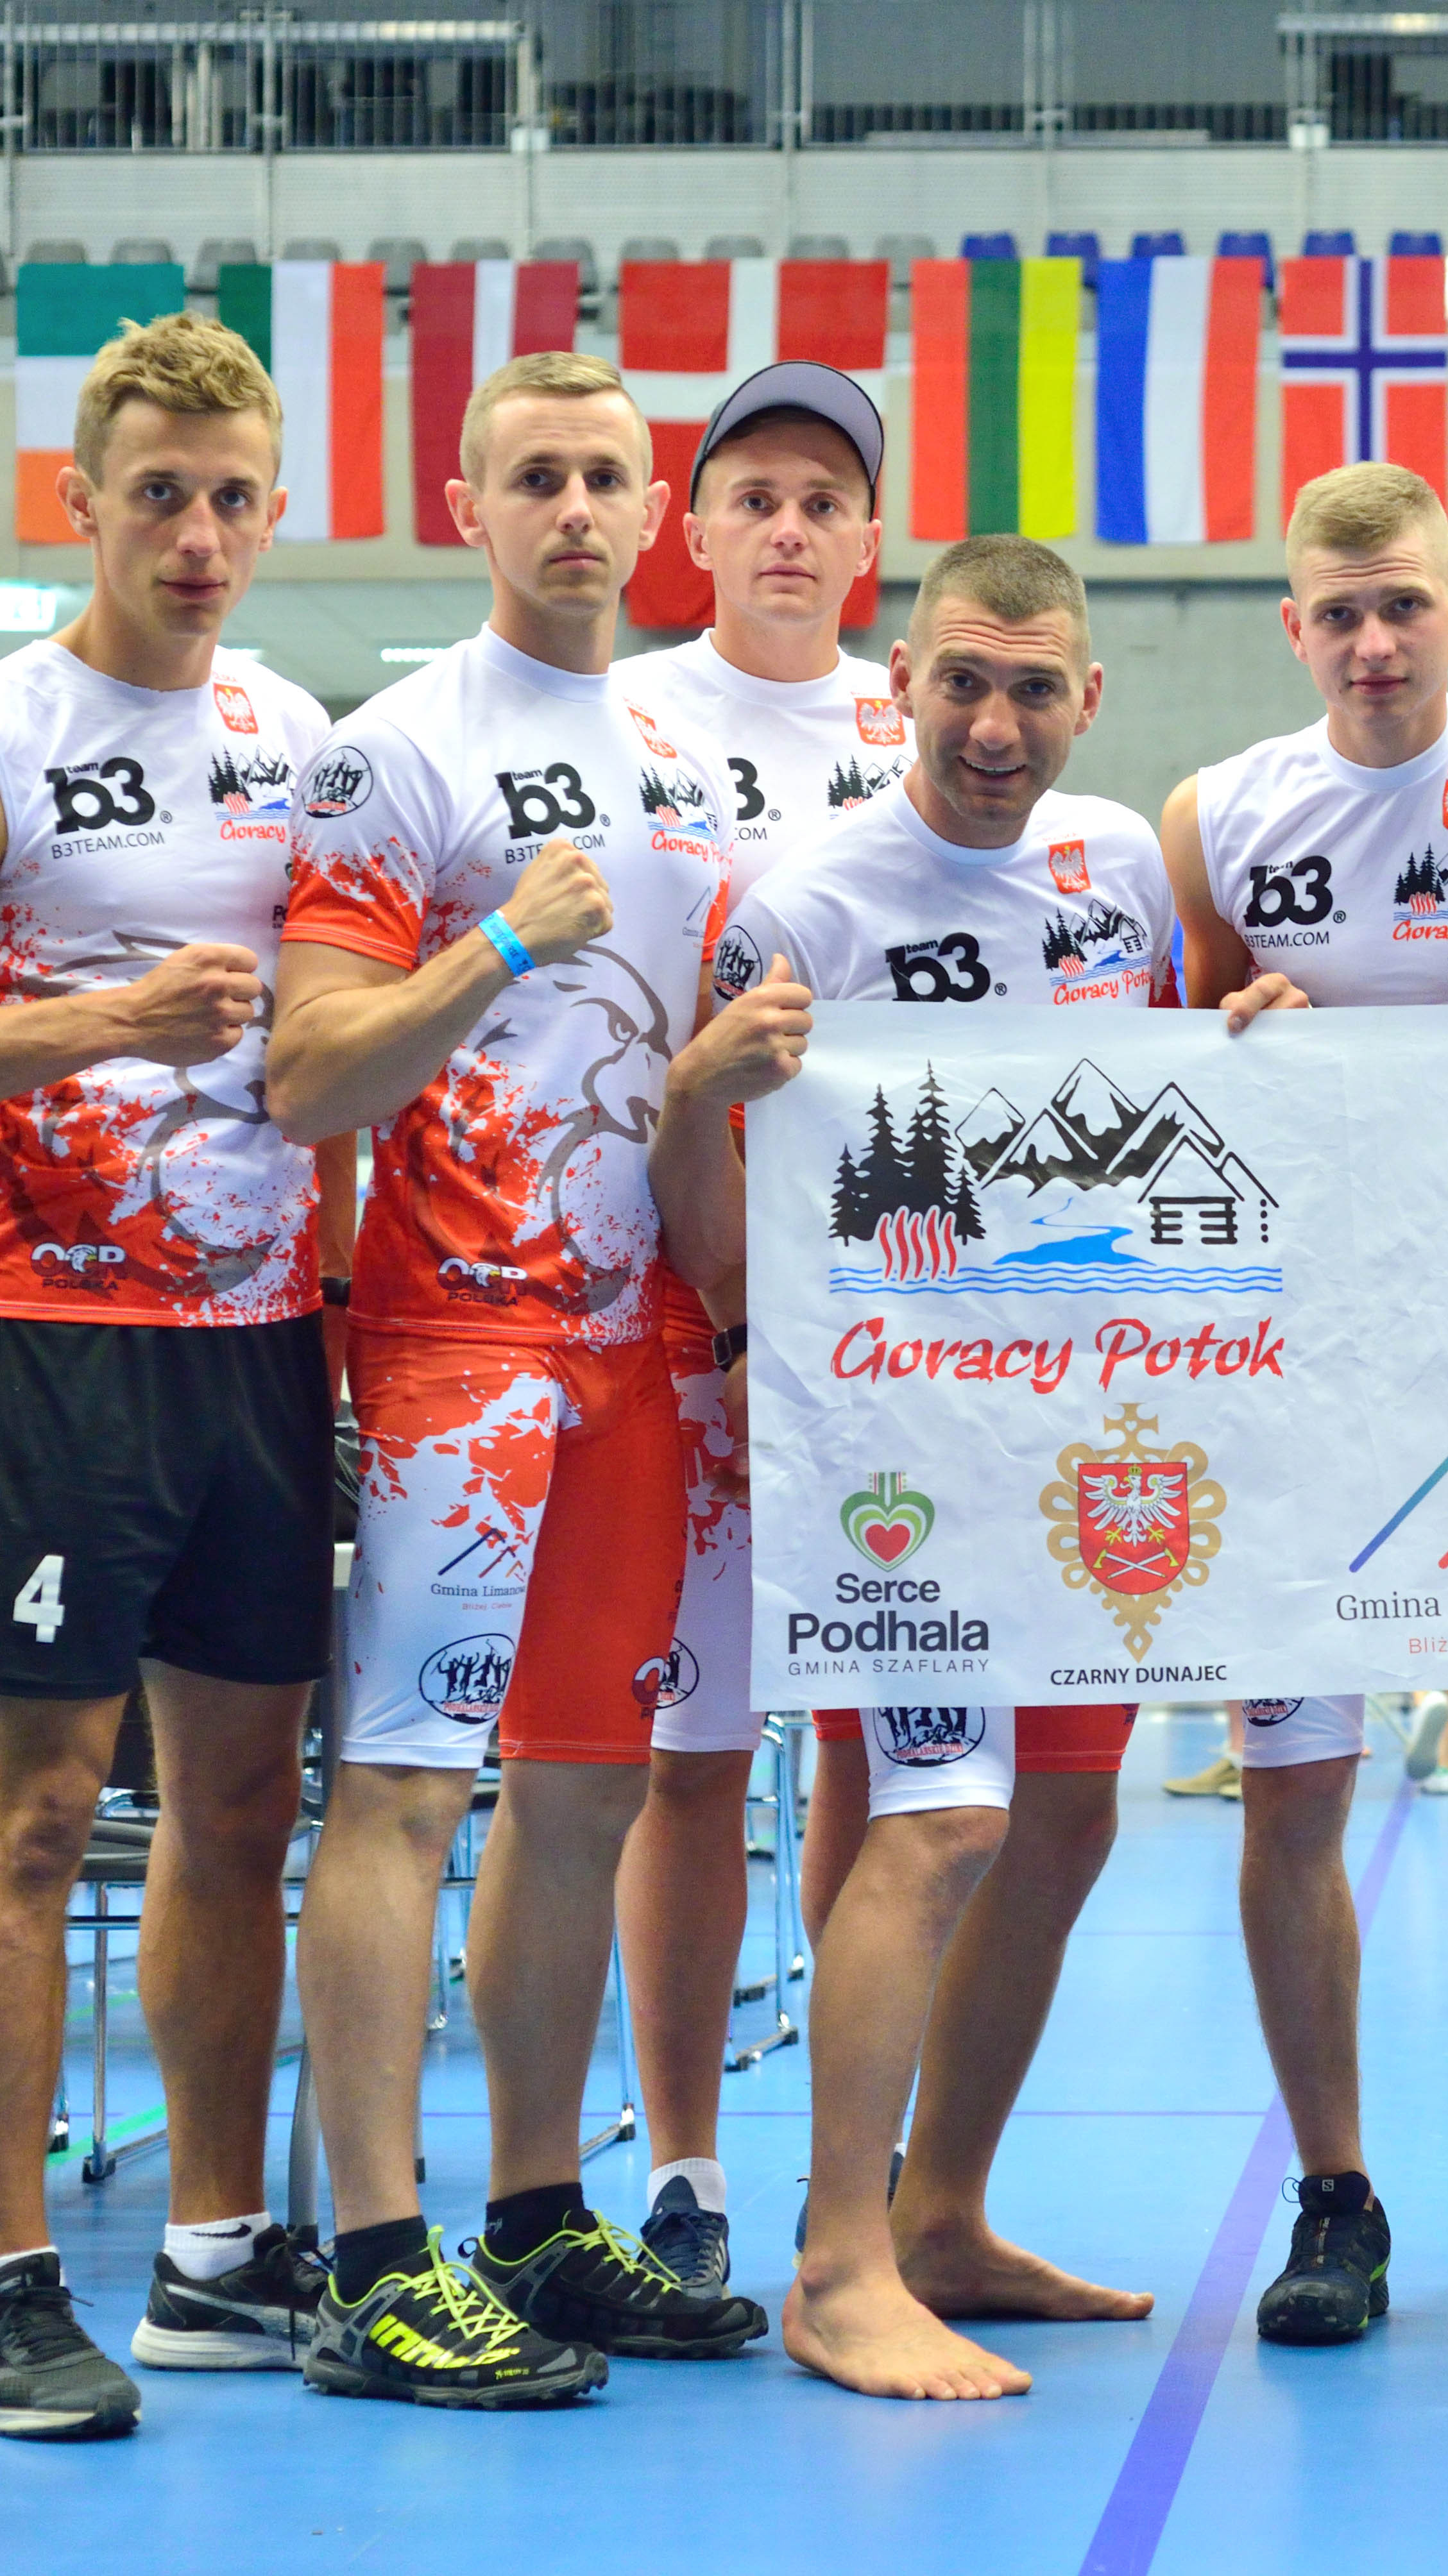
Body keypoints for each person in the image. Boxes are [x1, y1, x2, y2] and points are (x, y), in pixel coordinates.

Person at [651, 532, 1295, 2401]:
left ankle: (938, 2213)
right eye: (962, 683)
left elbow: (1154, 1104)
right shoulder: (805, 902)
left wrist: (1249, 1033)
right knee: (938, 1819)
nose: (995, 725)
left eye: (1031, 689)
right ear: (902, 686)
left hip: (1088, 1434)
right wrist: (739, 1316)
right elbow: (695, 1166)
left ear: (1087, 697)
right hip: (895, 1453)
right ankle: (836, 2258)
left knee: (1068, 1817)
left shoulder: (1116, 867)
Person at [0, 312, 350, 2439]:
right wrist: (108, 1021)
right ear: (82, 501)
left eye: (232, 499)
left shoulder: (300, 731)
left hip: (265, 1346)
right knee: (36, 1814)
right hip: (65, 1343)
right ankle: (3, 2287)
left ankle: (217, 2250)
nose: (196, 535)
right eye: (158, 495)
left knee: (241, 1809)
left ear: (273, 512)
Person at [272, 346, 766, 2407]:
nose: (574, 509)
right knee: (405, 1786)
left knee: (585, 1794)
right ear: (465, 509)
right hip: (459, 1347)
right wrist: (494, 947)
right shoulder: (393, 753)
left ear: (653, 514)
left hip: (645, 1350)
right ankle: (374, 2262)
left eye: (604, 478)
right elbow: (309, 1074)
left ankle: (536, 2218)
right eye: (535, 476)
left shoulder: (688, 756)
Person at [1158, 459, 1448, 2345]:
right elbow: (1170, 1074)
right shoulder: (1215, 816)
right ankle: (1332, 2193)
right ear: (1293, 626)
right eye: (1336, 612)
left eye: (1400, 604)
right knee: (1292, 1792)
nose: (1370, 641)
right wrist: (1231, 1034)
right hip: (1297, 1370)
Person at [602, 359, 906, 2296]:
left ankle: (859, 2170)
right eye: (755, 497)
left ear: (868, 540)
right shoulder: (621, 719)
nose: (788, 528)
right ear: (694, 528)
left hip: (896, 1310)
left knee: (887, 1748)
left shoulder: (924, 722)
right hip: (672, 1296)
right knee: (691, 1749)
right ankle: (685, 2162)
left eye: (823, 500)